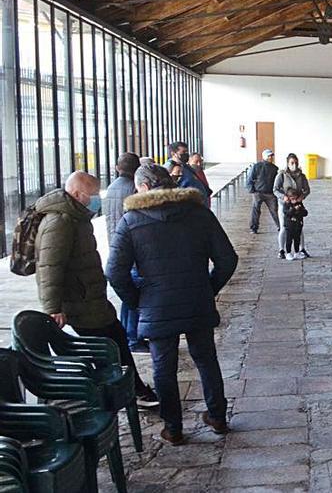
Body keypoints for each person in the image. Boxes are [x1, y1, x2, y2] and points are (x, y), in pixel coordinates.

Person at [106, 164, 237, 446]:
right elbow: (228, 259)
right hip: (196, 303)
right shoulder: (200, 213)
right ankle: (217, 417)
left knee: (163, 367)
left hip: (157, 306)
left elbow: (114, 272)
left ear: (142, 188)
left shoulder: (131, 221)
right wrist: (207, 289)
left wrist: (139, 301)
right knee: (206, 359)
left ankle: (174, 427)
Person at [34, 171, 160, 409]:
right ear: (77, 193)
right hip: (80, 301)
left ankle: (131, 389)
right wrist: (53, 307)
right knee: (108, 346)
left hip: (91, 298)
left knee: (117, 339)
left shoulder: (75, 217)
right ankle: (125, 393)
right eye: (92, 194)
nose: (96, 199)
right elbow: (50, 266)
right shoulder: (59, 222)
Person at [103, 152, 147, 353]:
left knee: (127, 295)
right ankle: (133, 338)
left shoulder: (111, 188)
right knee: (134, 297)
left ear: (116, 168)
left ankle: (129, 334)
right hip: (132, 250)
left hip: (116, 246)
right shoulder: (133, 189)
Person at [273, 153, 312, 259]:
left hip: (298, 205)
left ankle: (301, 249)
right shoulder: (282, 175)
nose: (294, 165)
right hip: (285, 205)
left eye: (295, 162)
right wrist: (283, 197)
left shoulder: (302, 176)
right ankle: (282, 250)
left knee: (299, 227)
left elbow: (307, 189)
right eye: (292, 163)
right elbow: (275, 189)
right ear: (287, 163)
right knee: (284, 227)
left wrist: (302, 197)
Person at [246, 149, 280, 235]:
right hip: (259, 193)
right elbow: (250, 178)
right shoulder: (257, 166)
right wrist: (252, 190)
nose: (271, 157)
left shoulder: (275, 168)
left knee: (274, 210)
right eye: (269, 156)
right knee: (256, 210)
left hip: (270, 193)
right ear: (265, 157)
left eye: (271, 156)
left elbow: (277, 181)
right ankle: (254, 228)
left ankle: (281, 227)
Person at [282, 188, 308, 261]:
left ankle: (297, 252)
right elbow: (287, 213)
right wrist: (293, 209)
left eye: (295, 198)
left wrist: (300, 210)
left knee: (297, 239)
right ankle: (288, 253)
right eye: (292, 198)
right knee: (289, 239)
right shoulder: (286, 204)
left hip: (298, 224)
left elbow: (305, 213)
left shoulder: (299, 204)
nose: (294, 200)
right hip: (289, 225)